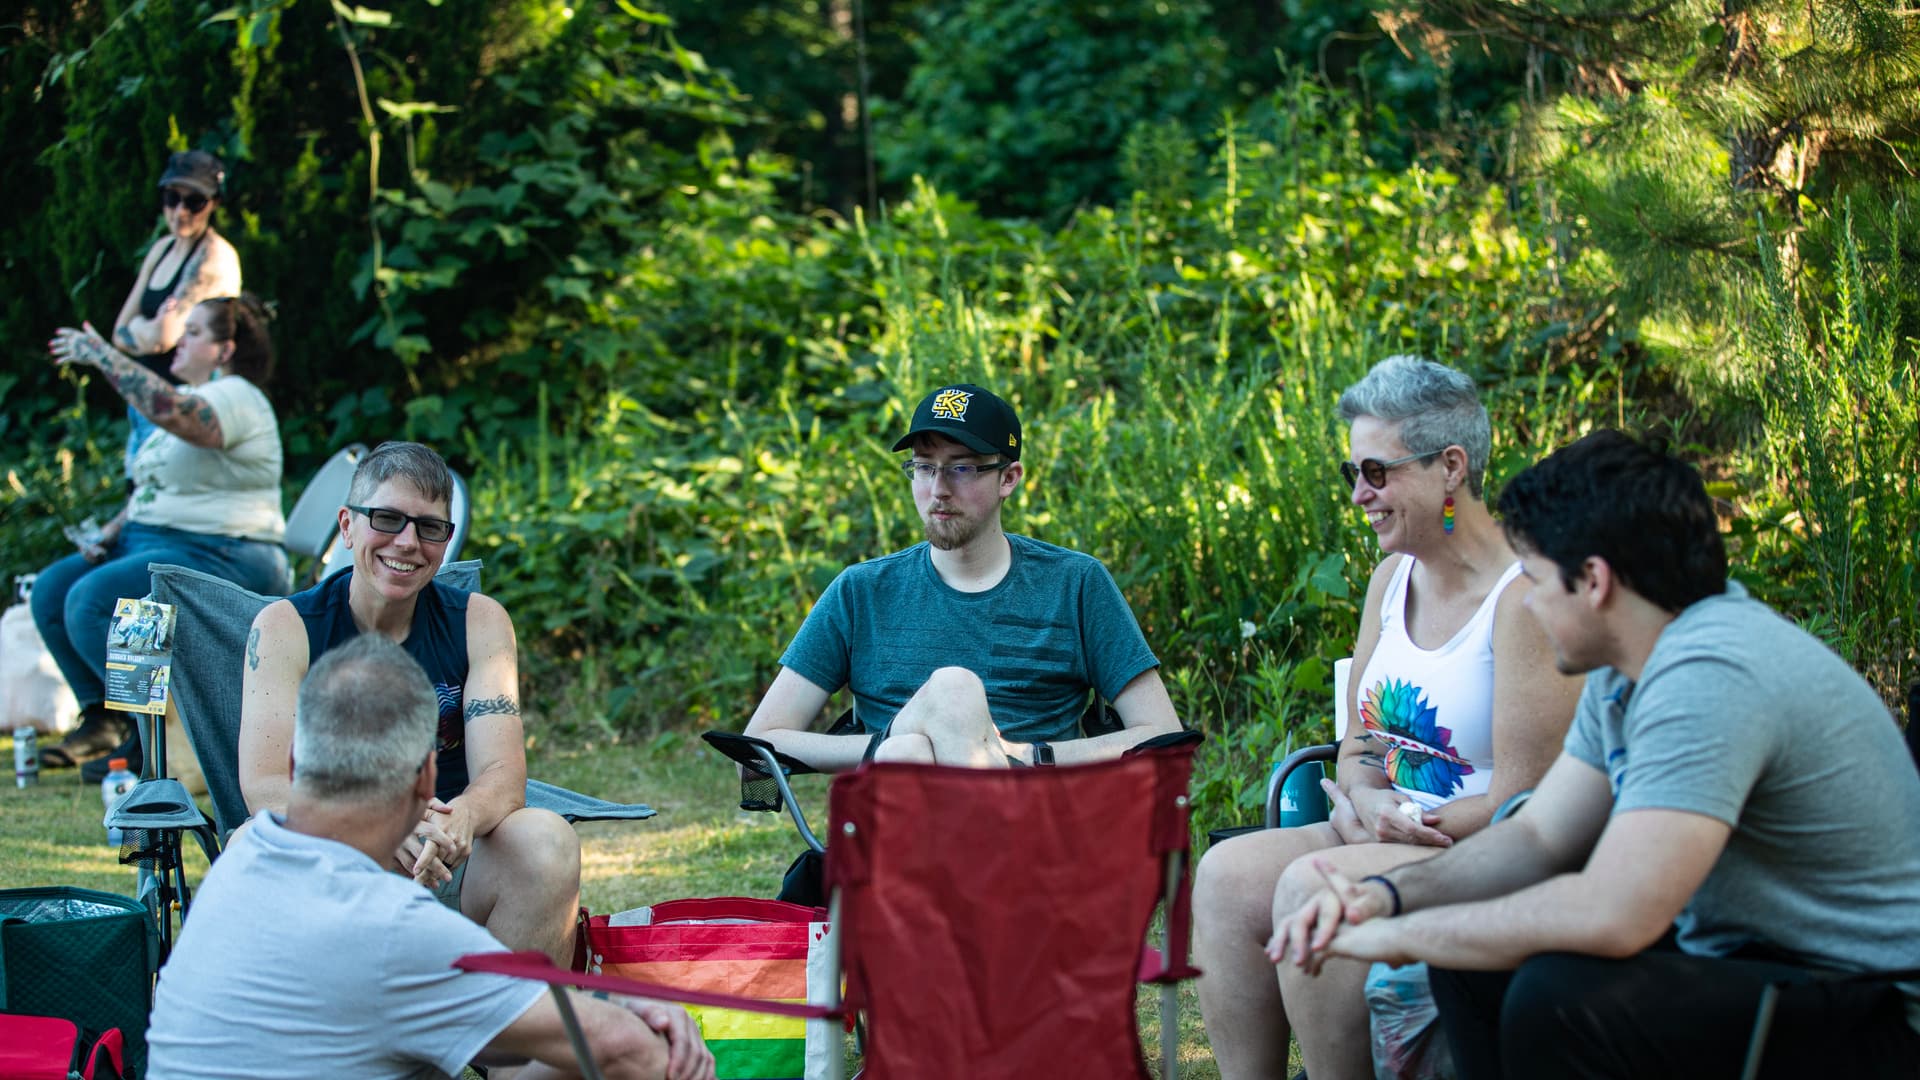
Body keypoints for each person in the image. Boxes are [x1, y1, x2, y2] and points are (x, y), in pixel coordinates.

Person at [1274, 430, 1920, 1079]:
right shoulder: (1627, 670)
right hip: (1763, 964)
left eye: (1533, 576)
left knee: (1559, 998)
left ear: (1594, 580)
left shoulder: (1710, 675)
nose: (1524, 600)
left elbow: (1614, 915)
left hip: (1876, 1005)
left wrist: (1398, 937)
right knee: (1475, 954)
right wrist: (1384, 896)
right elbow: (1535, 839)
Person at [1192, 356, 1580, 1080]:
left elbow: (1527, 803)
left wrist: (1393, 823)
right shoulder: (1389, 579)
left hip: (1480, 851)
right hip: (1376, 828)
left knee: (1313, 884)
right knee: (1225, 874)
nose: (1360, 495)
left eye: (1376, 472)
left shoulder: (1524, 598)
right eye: (1352, 475)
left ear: (1451, 467)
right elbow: (1360, 744)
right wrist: (1367, 798)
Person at [148, 634, 714, 1080]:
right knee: (652, 1052)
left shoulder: (241, 863)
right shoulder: (393, 929)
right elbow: (621, 1049)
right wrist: (638, 1017)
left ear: (296, 764)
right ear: (426, 779)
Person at [239, 440, 581, 965]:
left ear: (446, 541)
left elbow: (503, 775)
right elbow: (265, 787)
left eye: (429, 527)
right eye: (386, 518)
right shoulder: (286, 629)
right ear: (347, 526)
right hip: (336, 858)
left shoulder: (480, 621)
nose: (407, 542)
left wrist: (464, 815)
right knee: (249, 850)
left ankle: (506, 1043)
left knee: (546, 840)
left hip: (449, 854)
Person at [742, 382, 1181, 769]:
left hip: (1036, 827)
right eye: (924, 466)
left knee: (949, 697)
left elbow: (1162, 734)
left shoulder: (1074, 584)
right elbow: (755, 754)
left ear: (1008, 478)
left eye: (962, 467)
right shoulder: (863, 592)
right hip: (892, 836)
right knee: (946, 699)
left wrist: (1028, 757)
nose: (938, 489)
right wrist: (887, 750)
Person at [37, 295, 287, 781]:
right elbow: (155, 489)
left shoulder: (237, 396)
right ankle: (113, 722)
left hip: (221, 550)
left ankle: (160, 741)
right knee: (50, 592)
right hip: (150, 540)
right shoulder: (202, 395)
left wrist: (106, 357)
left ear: (224, 349)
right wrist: (107, 534)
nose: (179, 340)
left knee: (92, 603)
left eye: (193, 332)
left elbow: (177, 413)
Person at [112, 150, 243, 474]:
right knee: (139, 493)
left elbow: (164, 337)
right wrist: (151, 328)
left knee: (160, 502)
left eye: (194, 202)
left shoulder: (213, 258)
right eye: (172, 199)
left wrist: (145, 329)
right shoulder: (161, 249)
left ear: (214, 203)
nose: (181, 211)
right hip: (145, 401)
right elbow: (118, 333)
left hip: (183, 407)